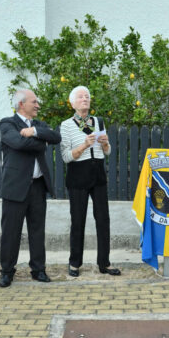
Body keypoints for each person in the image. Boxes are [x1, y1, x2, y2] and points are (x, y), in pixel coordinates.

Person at [0, 89, 61, 287]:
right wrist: (39, 144)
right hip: (15, 187)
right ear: (21, 104)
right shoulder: (7, 123)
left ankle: (38, 270)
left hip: (37, 186)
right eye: (34, 102)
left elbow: (55, 137)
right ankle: (7, 272)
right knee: (11, 232)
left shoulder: (38, 125)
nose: (38, 105)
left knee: (37, 230)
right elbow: (16, 142)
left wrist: (34, 132)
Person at [59, 86, 121, 277]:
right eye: (81, 96)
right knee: (78, 221)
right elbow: (66, 156)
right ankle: (75, 263)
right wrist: (85, 144)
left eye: (87, 96)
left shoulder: (98, 121)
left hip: (98, 175)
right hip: (78, 175)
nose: (85, 99)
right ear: (72, 102)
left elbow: (107, 152)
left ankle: (105, 263)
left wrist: (105, 143)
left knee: (103, 220)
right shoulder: (67, 125)